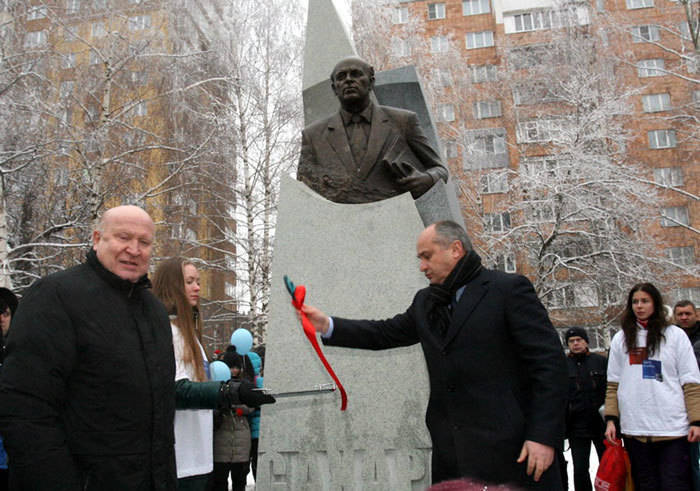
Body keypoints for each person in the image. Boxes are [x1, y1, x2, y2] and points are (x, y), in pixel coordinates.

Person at [0, 205, 273, 490]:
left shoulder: (153, 311)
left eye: (144, 242)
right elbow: (25, 409)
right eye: (123, 237)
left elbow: (162, 402)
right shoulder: (54, 297)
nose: (134, 249)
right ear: (96, 239)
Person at [302, 220, 567, 487]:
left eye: (427, 257)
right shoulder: (426, 302)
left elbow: (550, 367)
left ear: (455, 249)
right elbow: (384, 332)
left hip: (515, 453)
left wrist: (542, 436)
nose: (422, 267)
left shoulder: (508, 290)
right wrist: (327, 326)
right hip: (453, 456)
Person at [297, 56, 448, 204]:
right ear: (334, 88)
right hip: (338, 222)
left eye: (356, 74)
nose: (348, 80)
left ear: (371, 82)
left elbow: (440, 169)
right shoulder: (313, 135)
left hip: (395, 216)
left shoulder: (403, 121)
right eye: (341, 77)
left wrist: (427, 179)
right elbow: (302, 192)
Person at [604, 283, 700, 490]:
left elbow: (691, 382)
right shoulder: (621, 339)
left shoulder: (675, 335)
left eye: (645, 301)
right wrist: (611, 419)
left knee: (675, 485)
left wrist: (696, 420)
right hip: (635, 430)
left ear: (655, 303)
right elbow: (613, 384)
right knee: (646, 485)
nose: (639, 306)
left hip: (672, 430)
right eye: (635, 302)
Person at [152, 257, 212, 490]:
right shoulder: (169, 333)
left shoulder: (190, 334)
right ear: (172, 286)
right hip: (180, 461)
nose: (197, 287)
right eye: (189, 282)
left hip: (200, 457)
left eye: (197, 281)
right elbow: (176, 390)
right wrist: (227, 393)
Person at [564, 327, 607, 491]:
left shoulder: (600, 362)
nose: (575, 344)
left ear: (586, 341)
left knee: (607, 466)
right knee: (580, 469)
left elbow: (611, 390)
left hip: (601, 424)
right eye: (571, 341)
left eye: (578, 340)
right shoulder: (563, 365)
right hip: (576, 426)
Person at [211, 351, 253, 491]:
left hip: (241, 437)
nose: (234, 370)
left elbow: (252, 405)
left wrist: (237, 408)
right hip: (221, 437)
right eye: (231, 367)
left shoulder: (245, 384)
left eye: (236, 367)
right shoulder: (216, 385)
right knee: (220, 481)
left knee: (240, 481)